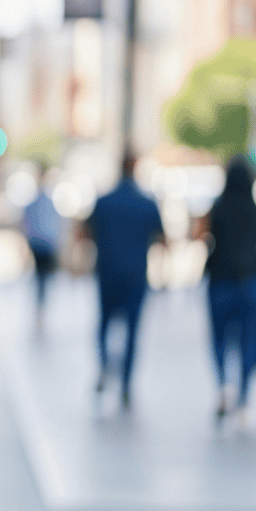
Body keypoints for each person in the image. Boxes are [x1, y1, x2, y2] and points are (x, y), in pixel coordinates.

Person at [85, 150, 165, 409]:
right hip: (135, 276)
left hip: (107, 273)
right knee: (132, 330)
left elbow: (86, 233)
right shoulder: (147, 202)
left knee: (104, 325)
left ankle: (105, 367)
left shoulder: (104, 201)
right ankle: (126, 385)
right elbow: (162, 241)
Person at [200, 154, 256, 423]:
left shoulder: (217, 207)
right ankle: (244, 397)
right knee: (249, 340)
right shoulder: (255, 210)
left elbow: (203, 236)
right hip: (251, 280)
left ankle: (224, 384)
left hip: (221, 279)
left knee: (219, 339)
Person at [21, 160, 65, 327]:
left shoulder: (49, 199)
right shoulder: (36, 200)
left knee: (44, 280)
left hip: (46, 245)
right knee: (40, 279)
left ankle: (41, 309)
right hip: (38, 244)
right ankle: (39, 310)